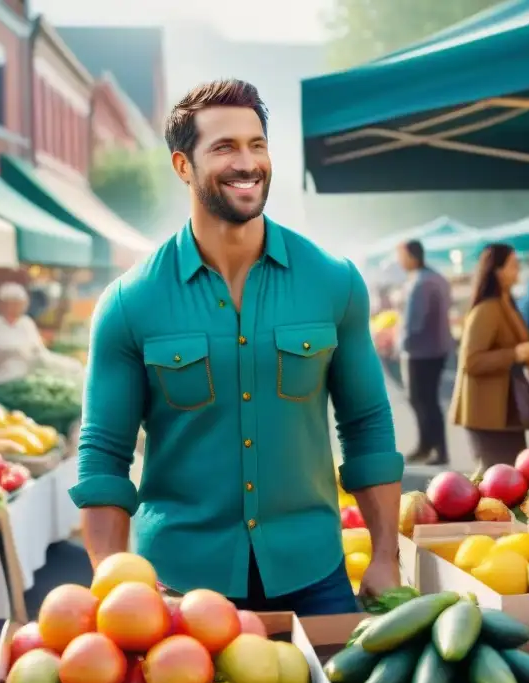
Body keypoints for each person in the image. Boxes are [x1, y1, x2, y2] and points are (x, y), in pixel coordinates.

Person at [70, 79, 403, 616]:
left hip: (314, 575)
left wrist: (384, 555)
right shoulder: (129, 303)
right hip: (177, 585)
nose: (247, 162)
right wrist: (114, 587)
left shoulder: (333, 282)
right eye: (224, 147)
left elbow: (366, 424)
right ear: (183, 166)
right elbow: (103, 457)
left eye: (257, 145)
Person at [450, 244, 529, 467]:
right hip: (487, 413)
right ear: (497, 271)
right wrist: (515, 353)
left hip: (507, 409)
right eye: (513, 266)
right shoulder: (486, 309)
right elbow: (471, 362)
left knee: (515, 476)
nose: (518, 271)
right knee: (498, 481)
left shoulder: (507, 304)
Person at [397, 239, 454, 465]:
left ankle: (436, 449)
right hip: (437, 349)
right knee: (426, 400)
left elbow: (414, 323)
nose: (400, 262)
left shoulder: (420, 282)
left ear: (411, 256)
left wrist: (399, 344)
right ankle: (427, 445)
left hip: (420, 351)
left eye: (401, 257)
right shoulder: (436, 278)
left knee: (423, 400)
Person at [0, 282, 58, 394]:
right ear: (2, 305)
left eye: (21, 304)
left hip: (23, 385)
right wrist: (1, 356)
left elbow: (39, 352)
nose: (17, 307)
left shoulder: (27, 324)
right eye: (12, 303)